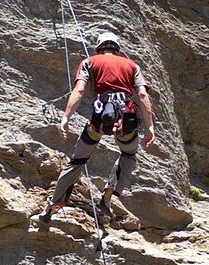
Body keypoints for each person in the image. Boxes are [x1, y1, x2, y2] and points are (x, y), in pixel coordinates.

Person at [39, 31, 155, 222]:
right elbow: (142, 95)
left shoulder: (89, 62)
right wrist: (150, 127)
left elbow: (80, 89)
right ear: (117, 49)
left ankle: (54, 204)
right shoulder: (132, 66)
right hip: (124, 120)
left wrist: (66, 117)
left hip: (99, 118)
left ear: (99, 47)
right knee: (129, 154)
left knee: (78, 160)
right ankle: (109, 194)